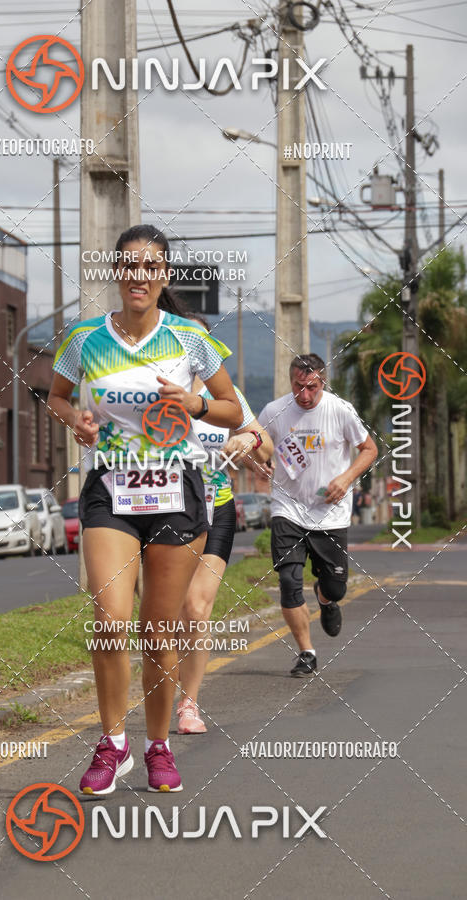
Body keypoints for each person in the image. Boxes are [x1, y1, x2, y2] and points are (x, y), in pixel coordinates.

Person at [47, 224, 243, 793]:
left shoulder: (190, 338)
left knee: (158, 633)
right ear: (117, 272)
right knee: (110, 623)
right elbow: (57, 394)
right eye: (128, 266)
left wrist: (195, 402)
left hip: (174, 491)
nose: (138, 276)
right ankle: (112, 744)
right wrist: (75, 420)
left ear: (163, 276)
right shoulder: (85, 339)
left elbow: (232, 409)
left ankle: (158, 746)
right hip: (111, 488)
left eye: (150, 267)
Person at [177, 314, 274, 733]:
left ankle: (188, 704)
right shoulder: (151, 387)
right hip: (163, 510)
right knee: (167, 615)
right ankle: (159, 689)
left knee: (197, 609)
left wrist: (247, 439)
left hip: (216, 507)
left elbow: (265, 444)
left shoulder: (228, 394)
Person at [258, 354, 378, 677]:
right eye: (299, 387)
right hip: (288, 509)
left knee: (336, 587)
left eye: (312, 387)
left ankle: (325, 600)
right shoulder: (274, 411)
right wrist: (258, 461)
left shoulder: (340, 410)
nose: (305, 395)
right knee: (288, 581)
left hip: (330, 514)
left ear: (322, 382)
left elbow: (370, 449)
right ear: (290, 381)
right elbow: (258, 448)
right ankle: (306, 652)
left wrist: (346, 478)